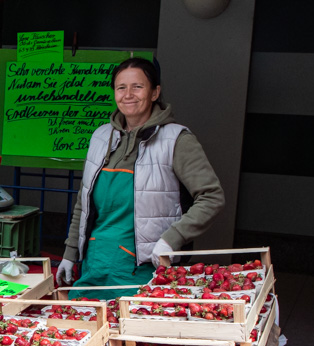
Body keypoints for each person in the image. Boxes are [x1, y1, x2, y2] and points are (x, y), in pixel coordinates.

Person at [56, 58, 224, 297]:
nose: (128, 94)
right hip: (95, 263)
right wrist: (70, 253)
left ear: (155, 92)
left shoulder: (176, 140)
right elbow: (82, 204)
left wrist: (172, 239)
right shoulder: (101, 137)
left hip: (143, 270)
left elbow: (211, 197)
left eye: (138, 86)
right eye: (121, 87)